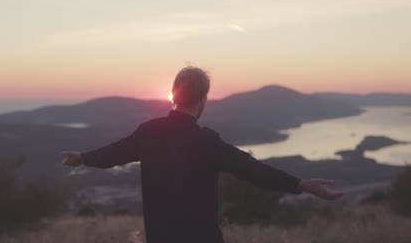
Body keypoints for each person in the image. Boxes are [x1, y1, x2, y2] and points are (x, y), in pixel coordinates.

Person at [62, 67, 344, 243]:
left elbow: (112, 153)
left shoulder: (148, 132)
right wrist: (301, 185)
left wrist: (82, 158)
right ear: (204, 99)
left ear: (173, 96)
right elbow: (253, 170)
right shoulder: (207, 142)